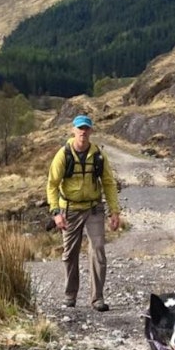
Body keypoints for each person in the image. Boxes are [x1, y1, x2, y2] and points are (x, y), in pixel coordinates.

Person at [47, 114, 121, 310]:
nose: (83, 131)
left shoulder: (98, 155)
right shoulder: (63, 154)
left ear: (91, 131)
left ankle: (97, 299)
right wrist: (56, 212)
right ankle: (70, 296)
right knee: (70, 253)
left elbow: (108, 183)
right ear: (73, 130)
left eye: (86, 128)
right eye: (80, 128)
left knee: (98, 251)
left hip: (94, 209)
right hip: (69, 210)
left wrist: (114, 212)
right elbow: (52, 185)